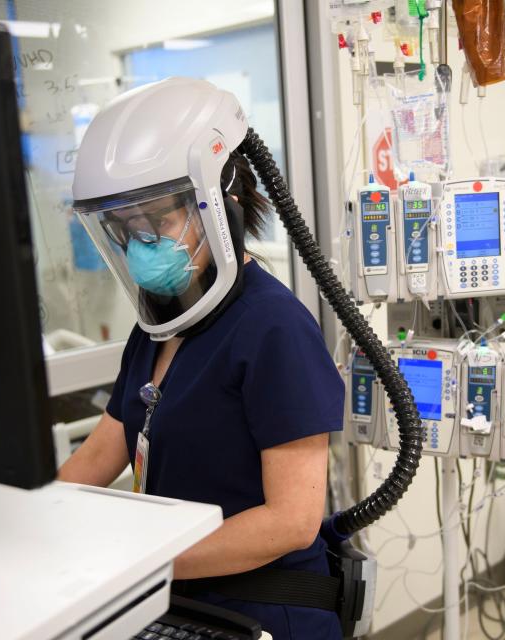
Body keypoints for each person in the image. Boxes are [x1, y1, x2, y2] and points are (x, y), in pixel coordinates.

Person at [59, 78, 344, 640]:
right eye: (127, 227)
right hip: (182, 601)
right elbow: (100, 452)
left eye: (159, 222)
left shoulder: (273, 327)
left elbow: (292, 521)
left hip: (262, 611)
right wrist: (27, 525)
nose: (143, 243)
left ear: (222, 201)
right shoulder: (159, 324)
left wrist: (140, 565)